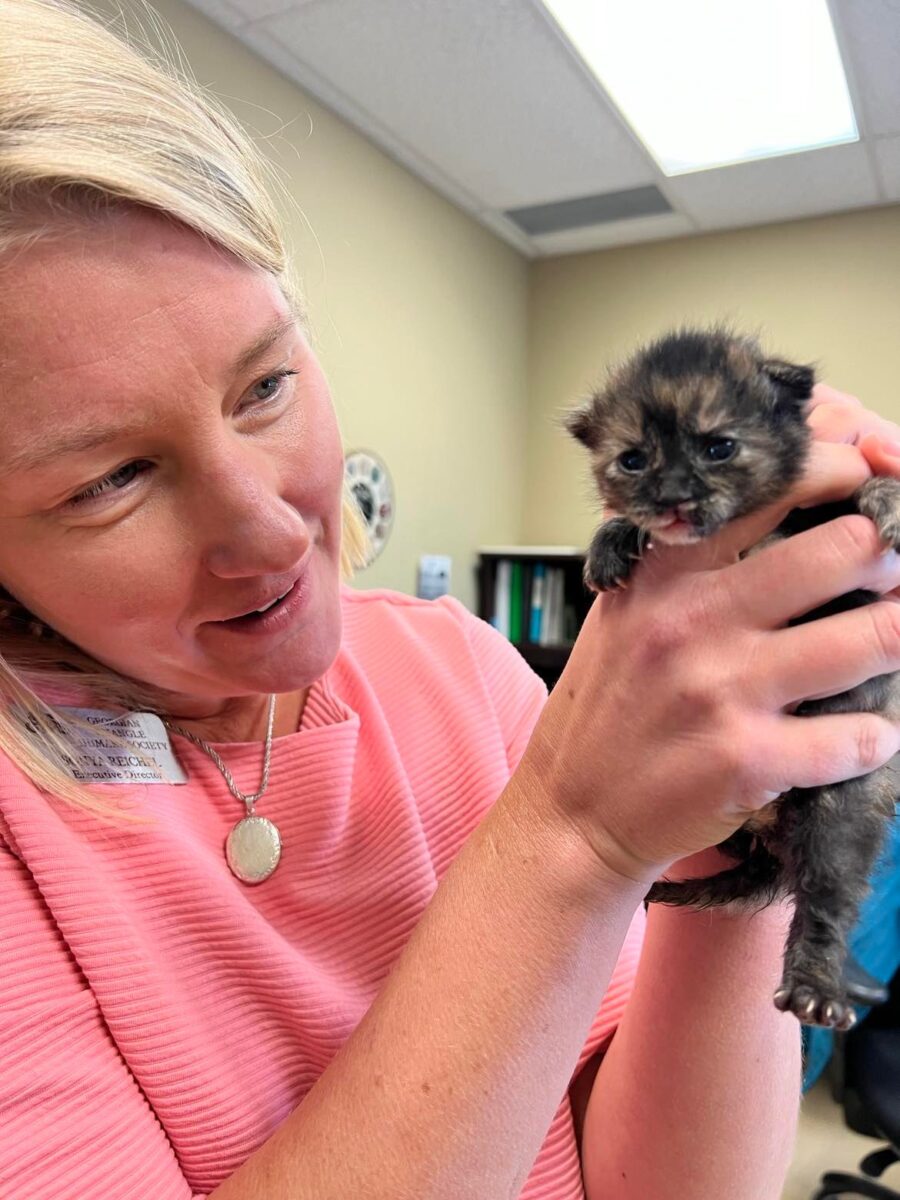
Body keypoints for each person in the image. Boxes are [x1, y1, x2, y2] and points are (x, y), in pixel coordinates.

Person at [3, 2, 900, 1197]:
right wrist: (568, 838)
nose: (275, 530)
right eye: (112, 477)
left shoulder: (460, 670)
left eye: (265, 384)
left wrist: (731, 804)